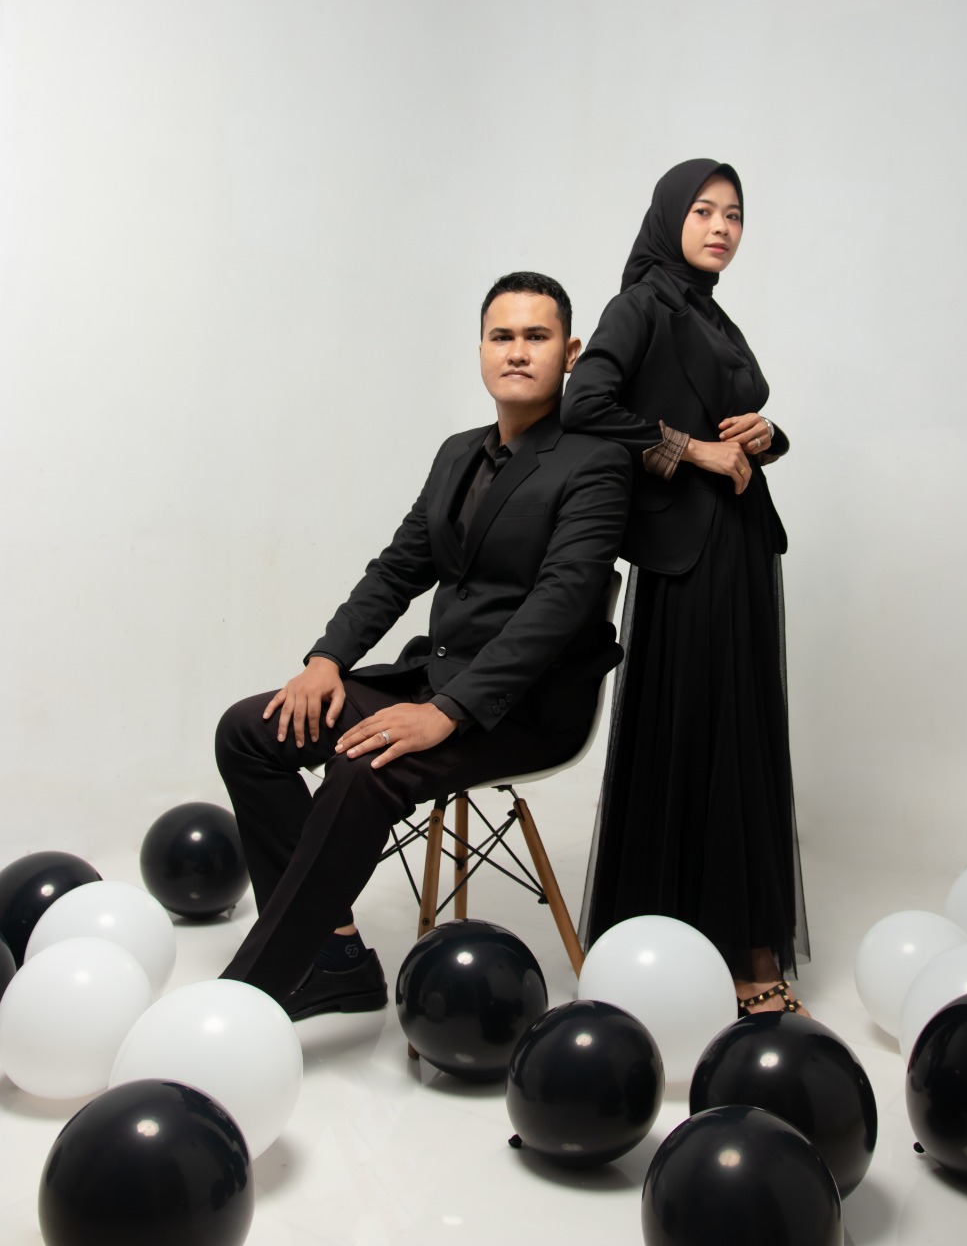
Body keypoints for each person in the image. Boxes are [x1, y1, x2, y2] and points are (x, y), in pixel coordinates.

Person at [215, 271, 631, 1019]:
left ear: (569, 353)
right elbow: (398, 569)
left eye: (536, 337)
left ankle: (250, 999)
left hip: (522, 708)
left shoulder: (595, 462)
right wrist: (326, 660)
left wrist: (448, 712)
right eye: (502, 336)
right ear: (481, 348)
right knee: (251, 730)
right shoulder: (457, 453)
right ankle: (333, 958)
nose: (517, 352)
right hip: (431, 677)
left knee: (361, 769)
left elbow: (561, 607)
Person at [559, 159, 808, 1015]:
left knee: (741, 734)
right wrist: (692, 449)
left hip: (740, 543)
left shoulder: (709, 312)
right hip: (688, 556)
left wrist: (766, 435)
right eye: (703, 211)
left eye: (733, 215)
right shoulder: (641, 304)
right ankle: (710, 955)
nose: (721, 228)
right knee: (702, 733)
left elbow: (737, 424)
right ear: (670, 217)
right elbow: (585, 404)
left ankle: (738, 945)